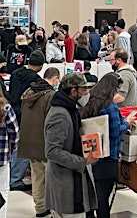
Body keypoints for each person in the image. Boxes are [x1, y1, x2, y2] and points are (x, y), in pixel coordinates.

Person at [80, 72, 135, 218]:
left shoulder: (91, 101)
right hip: (108, 156)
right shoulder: (110, 106)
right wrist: (127, 123)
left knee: (92, 195)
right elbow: (115, 131)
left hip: (91, 155)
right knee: (103, 197)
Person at [44, 72, 97, 217]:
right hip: (65, 185)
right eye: (83, 90)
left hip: (72, 180)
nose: (86, 94)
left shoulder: (70, 110)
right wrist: (82, 161)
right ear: (73, 91)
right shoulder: (60, 114)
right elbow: (52, 151)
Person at [17, 67, 60, 218]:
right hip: (45, 143)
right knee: (53, 179)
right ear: (54, 79)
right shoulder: (50, 95)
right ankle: (54, 209)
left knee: (37, 178)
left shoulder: (28, 93)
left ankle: (40, 208)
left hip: (30, 142)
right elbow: (52, 121)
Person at [9, 50, 44, 192]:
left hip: (12, 112)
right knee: (24, 147)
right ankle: (15, 179)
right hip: (26, 115)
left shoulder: (15, 74)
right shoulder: (35, 79)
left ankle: (11, 176)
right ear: (41, 66)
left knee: (13, 146)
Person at [0, 86, 20, 218]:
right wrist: (12, 149)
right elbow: (15, 134)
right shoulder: (5, 108)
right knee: (2, 191)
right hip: (2, 157)